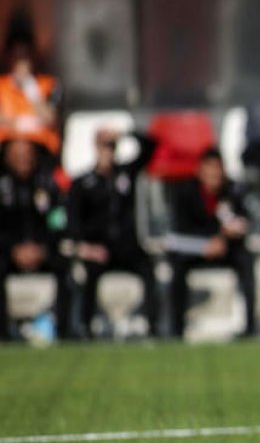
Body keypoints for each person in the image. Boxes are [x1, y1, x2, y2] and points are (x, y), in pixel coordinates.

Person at [66, 128, 161, 338]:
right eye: (104, 146)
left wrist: (125, 133)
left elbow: (151, 146)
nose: (108, 152)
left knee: (148, 268)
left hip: (126, 247)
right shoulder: (82, 183)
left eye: (112, 146)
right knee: (89, 273)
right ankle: (84, 327)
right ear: (95, 148)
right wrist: (85, 248)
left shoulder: (126, 174)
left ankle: (153, 326)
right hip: (97, 248)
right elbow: (73, 223)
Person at [166, 148, 258, 339]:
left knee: (246, 259)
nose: (214, 174)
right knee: (177, 265)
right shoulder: (185, 192)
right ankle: (176, 329)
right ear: (200, 171)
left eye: (218, 168)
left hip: (226, 248)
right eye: (209, 168)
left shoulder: (233, 190)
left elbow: (245, 221)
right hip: (196, 248)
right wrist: (205, 243)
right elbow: (179, 231)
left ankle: (249, 327)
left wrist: (227, 235)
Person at [0, 138, 71, 341]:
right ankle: (3, 334)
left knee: (65, 269)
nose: (24, 160)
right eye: (18, 156)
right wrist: (13, 249)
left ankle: (64, 331)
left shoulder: (47, 183)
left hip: (42, 251)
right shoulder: (4, 185)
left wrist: (41, 248)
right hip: (10, 252)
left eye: (27, 155)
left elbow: (58, 221)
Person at [0, 19, 63, 158]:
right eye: (17, 56)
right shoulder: (2, 86)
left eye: (25, 56)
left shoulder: (48, 84)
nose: (21, 63)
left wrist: (30, 87)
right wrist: (23, 123)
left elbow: (50, 118)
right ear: (8, 58)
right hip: (6, 154)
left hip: (41, 153)